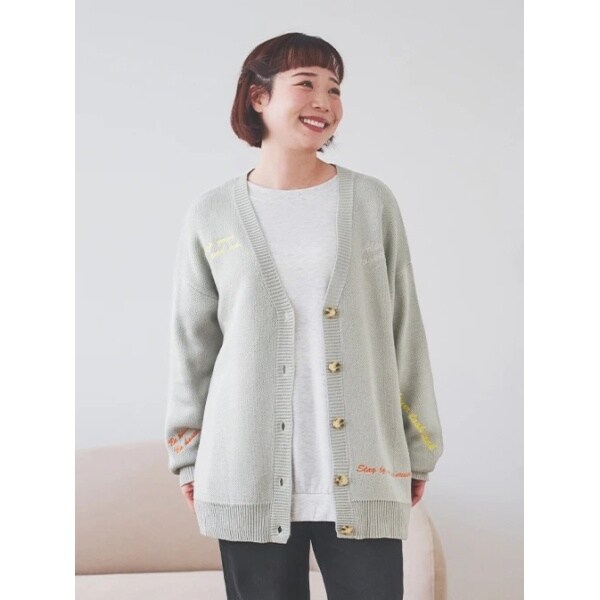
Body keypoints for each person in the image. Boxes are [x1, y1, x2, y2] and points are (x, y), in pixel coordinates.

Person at [164, 32, 444, 600]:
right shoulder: (212, 214)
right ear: (258, 97)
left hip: (365, 469)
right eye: (306, 84)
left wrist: (419, 449)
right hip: (243, 472)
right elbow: (193, 345)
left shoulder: (372, 202)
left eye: (334, 89)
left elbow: (405, 332)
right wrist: (187, 456)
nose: (325, 101)